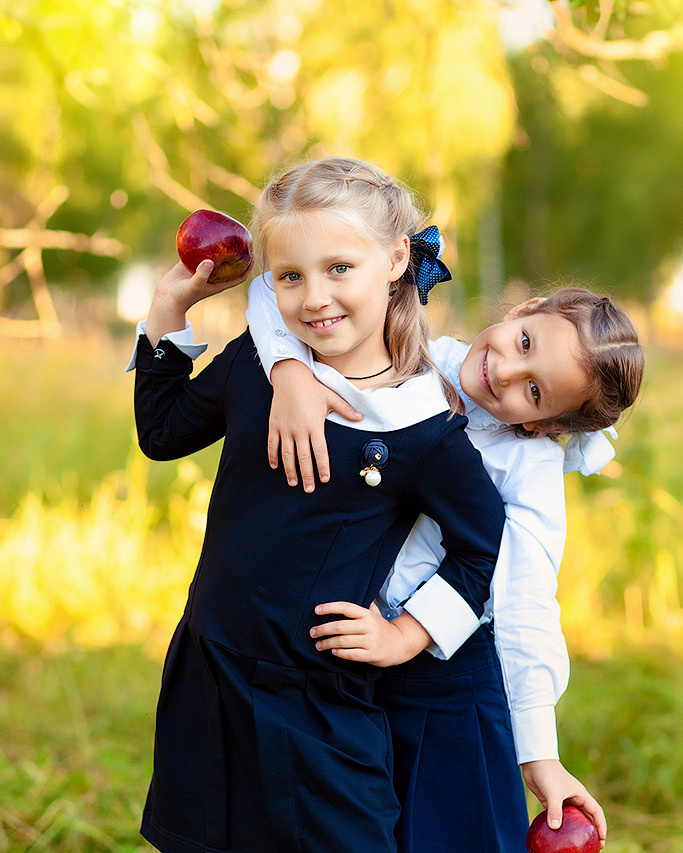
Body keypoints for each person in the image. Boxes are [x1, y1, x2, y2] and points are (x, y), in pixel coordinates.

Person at [127, 156, 511, 852]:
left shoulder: (420, 426)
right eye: (291, 276)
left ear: (396, 259)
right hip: (210, 668)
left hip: (316, 702)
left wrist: (408, 632)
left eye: (340, 268)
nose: (314, 298)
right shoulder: (260, 365)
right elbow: (163, 432)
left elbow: (483, 540)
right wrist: (168, 311)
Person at [245, 274, 644, 850]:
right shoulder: (406, 351)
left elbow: (525, 599)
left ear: (546, 425)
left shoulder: (524, 464)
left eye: (534, 393)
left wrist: (538, 755)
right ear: (525, 310)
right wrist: (290, 371)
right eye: (525, 343)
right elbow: (271, 282)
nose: (505, 372)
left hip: (444, 681)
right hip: (341, 655)